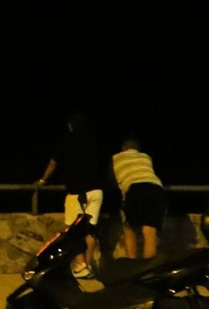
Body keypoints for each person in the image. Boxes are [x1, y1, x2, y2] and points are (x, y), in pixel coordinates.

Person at [35, 112, 102, 278]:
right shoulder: (94, 141)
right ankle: (89, 265)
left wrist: (43, 180)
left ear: (70, 127)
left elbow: (53, 163)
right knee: (89, 230)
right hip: (96, 191)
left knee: (72, 231)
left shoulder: (66, 141)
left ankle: (81, 265)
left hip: (77, 192)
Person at [111, 138, 167, 259]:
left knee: (128, 227)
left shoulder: (115, 158)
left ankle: (132, 263)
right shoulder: (146, 157)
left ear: (123, 148)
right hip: (156, 188)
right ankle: (148, 267)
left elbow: (111, 180)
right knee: (149, 230)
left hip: (135, 188)